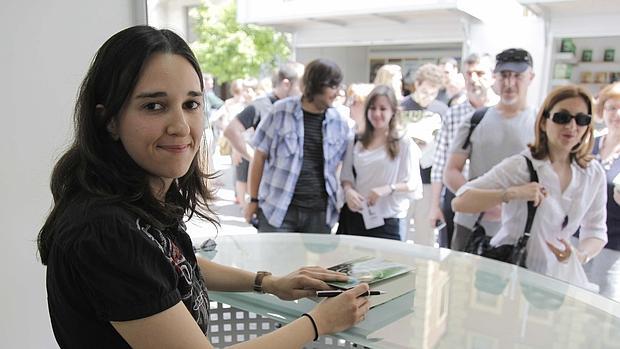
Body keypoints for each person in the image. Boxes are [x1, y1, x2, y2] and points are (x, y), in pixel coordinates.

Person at [37, 26, 370, 348]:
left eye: (191, 104)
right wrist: (318, 323)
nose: (181, 127)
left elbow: (172, 264)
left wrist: (268, 282)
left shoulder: (140, 199)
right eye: (154, 105)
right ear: (109, 119)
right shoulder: (106, 230)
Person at [452, 85, 607, 288]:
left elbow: (596, 231)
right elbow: (460, 201)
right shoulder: (522, 166)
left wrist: (580, 255)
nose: (572, 126)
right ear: (543, 122)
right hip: (511, 273)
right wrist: (512, 193)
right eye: (562, 117)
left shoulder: (593, 173)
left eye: (582, 119)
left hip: (557, 280)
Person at [245, 59, 353, 233]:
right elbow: (259, 157)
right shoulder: (280, 111)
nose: (337, 92)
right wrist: (253, 200)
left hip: (320, 213)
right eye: (332, 86)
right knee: (273, 261)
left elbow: (340, 167)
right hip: (278, 209)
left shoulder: (340, 122)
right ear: (315, 85)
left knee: (318, 262)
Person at [444, 48, 537, 251]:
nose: (509, 83)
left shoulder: (541, 125)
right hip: (470, 223)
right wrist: (483, 201)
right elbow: (451, 171)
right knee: (460, 280)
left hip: (518, 229)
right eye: (504, 75)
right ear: (495, 77)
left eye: (517, 76)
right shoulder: (476, 120)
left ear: (530, 78)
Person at [429, 53, 498, 248]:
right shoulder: (454, 113)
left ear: (493, 77)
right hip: (458, 194)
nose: (473, 79)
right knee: (454, 258)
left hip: (495, 198)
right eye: (469, 73)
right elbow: (440, 162)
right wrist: (435, 205)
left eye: (480, 73)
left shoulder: (503, 112)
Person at [338, 85, 423, 240]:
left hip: (388, 220)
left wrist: (388, 189)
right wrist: (349, 191)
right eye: (373, 108)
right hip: (356, 217)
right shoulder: (356, 140)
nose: (377, 114)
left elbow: (413, 184)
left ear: (393, 111)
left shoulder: (403, 143)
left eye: (383, 109)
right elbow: (346, 177)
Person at [223, 62, 305, 210]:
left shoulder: (299, 106)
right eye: (302, 84)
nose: (305, 90)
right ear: (286, 84)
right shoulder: (261, 105)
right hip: (270, 191)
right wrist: (254, 157)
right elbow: (231, 131)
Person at [400, 63, 448, 243]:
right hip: (403, 178)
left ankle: (423, 269)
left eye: (433, 93)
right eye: (425, 91)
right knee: (401, 230)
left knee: (424, 233)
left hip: (428, 179)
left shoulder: (441, 110)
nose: (428, 97)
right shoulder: (402, 106)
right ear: (417, 84)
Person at [586, 82, 620, 300]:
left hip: (614, 248)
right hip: (578, 238)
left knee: (606, 312)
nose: (617, 114)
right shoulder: (588, 145)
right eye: (612, 107)